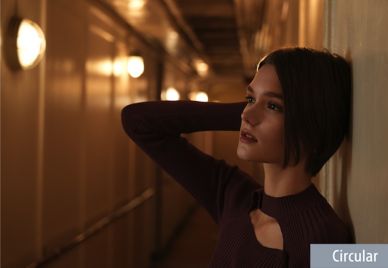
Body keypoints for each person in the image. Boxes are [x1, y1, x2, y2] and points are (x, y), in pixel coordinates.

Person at [121, 47, 353, 267]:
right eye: (250, 99)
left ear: (311, 125)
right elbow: (137, 120)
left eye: (274, 105)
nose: (247, 114)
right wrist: (249, 115)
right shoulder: (234, 195)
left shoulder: (326, 238)